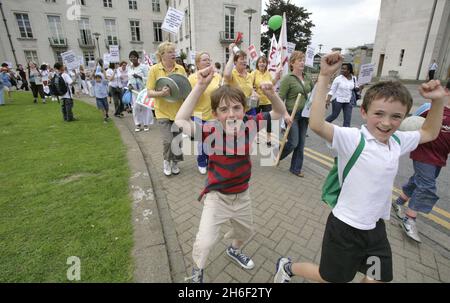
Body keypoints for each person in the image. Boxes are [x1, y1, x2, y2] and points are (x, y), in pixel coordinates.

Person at [274, 52, 448, 283]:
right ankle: (288, 268)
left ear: (404, 117)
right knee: (331, 278)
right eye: (379, 114)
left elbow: (429, 132)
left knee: (377, 278)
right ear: (364, 112)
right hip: (344, 229)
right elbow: (316, 123)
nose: (387, 123)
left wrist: (438, 101)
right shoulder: (354, 138)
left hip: (375, 230)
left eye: (396, 116)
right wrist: (325, 76)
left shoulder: (397, 141)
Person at [175, 65, 288, 283]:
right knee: (205, 241)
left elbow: (278, 112)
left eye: (236, 108)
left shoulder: (251, 124)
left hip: (242, 196)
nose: (231, 114)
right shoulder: (210, 131)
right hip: (217, 197)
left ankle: (233, 250)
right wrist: (200, 85)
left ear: (245, 110)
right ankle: (197, 273)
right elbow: (180, 120)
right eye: (224, 110)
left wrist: (272, 94)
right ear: (215, 114)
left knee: (246, 232)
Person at [393, 79, 450, 243]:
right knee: (426, 185)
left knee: (417, 181)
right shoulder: (430, 109)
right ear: (446, 90)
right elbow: (407, 125)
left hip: (440, 157)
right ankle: (409, 219)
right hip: (423, 154)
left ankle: (398, 202)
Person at [146, 42, 186, 176]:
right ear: (162, 55)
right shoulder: (154, 70)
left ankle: (175, 162)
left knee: (177, 140)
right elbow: (149, 92)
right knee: (168, 140)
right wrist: (161, 94)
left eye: (174, 51)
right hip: (162, 111)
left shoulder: (180, 69)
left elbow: (185, 89)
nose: (173, 54)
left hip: (178, 111)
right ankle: (166, 161)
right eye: (170, 52)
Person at [278, 51, 314, 177]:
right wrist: (285, 115)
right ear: (292, 63)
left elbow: (313, 93)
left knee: (301, 143)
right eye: (299, 60)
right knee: (293, 142)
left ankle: (295, 168)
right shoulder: (287, 79)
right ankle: (278, 153)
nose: (302, 62)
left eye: (303, 60)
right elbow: (279, 99)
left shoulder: (308, 78)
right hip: (291, 114)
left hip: (305, 115)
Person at [188, 51, 222, 174]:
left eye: (209, 59)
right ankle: (202, 162)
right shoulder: (192, 78)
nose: (208, 61)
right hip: (198, 114)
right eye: (204, 60)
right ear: (197, 63)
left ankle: (211, 161)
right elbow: (189, 97)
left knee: (212, 141)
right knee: (201, 142)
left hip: (213, 114)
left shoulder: (217, 76)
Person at [251, 56, 281, 146]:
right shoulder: (254, 73)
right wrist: (253, 92)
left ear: (266, 64)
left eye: (264, 62)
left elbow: (272, 84)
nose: (262, 64)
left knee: (268, 120)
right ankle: (256, 137)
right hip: (256, 101)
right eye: (260, 62)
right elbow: (249, 85)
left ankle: (268, 138)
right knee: (256, 119)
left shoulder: (268, 73)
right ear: (257, 64)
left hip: (267, 101)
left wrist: (276, 78)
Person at [223, 43, 256, 116]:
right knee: (236, 127)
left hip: (249, 109)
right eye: (241, 59)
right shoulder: (232, 74)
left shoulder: (250, 75)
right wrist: (232, 54)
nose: (244, 61)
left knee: (252, 127)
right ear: (235, 62)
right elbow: (226, 74)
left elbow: (250, 89)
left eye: (245, 59)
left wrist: (254, 93)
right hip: (235, 110)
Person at [325, 63, 361, 127]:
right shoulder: (338, 79)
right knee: (334, 115)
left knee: (347, 119)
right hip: (338, 100)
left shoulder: (354, 78)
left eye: (344, 69)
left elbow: (356, 88)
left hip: (348, 100)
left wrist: (360, 88)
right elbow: (332, 91)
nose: (342, 70)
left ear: (349, 70)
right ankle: (323, 125)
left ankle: (345, 133)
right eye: (342, 68)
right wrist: (328, 100)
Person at [128, 50, 152, 132]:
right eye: (131, 57)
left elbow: (149, 79)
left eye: (134, 57)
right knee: (135, 108)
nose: (132, 59)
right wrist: (129, 85)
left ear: (137, 58)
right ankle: (137, 124)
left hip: (143, 91)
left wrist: (139, 77)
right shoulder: (129, 68)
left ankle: (145, 124)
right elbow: (129, 79)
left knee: (144, 107)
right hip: (134, 91)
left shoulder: (143, 67)